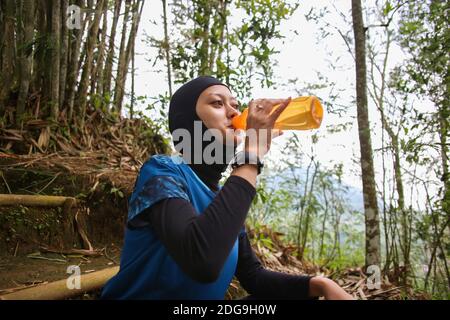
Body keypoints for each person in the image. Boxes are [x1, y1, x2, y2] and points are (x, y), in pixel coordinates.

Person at [100, 76, 354, 300]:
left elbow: (253, 276)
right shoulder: (163, 171)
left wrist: (319, 284)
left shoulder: (223, 195)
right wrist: (252, 155)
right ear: (188, 122)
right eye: (217, 103)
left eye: (234, 104)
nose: (234, 112)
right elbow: (202, 260)